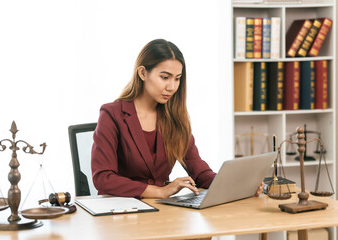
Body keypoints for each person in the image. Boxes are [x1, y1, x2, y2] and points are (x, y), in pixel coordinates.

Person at [91, 39, 262, 199]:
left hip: (162, 213)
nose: (171, 87)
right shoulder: (112, 114)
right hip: (121, 213)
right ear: (143, 73)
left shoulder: (174, 118)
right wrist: (160, 191)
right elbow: (103, 178)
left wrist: (238, 184)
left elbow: (200, 172)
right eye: (164, 77)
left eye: (177, 79)